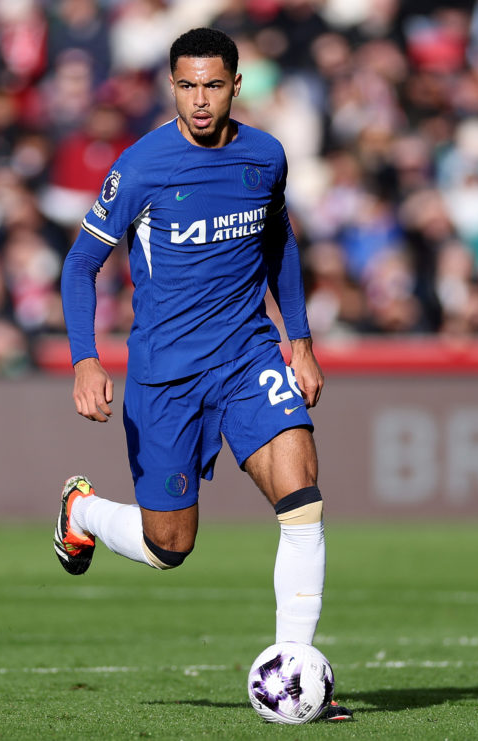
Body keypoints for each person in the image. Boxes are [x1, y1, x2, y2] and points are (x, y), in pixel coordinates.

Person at [53, 28, 352, 723]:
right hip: (166, 379)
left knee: (302, 497)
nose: (199, 100)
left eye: (212, 85)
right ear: (171, 86)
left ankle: (298, 672)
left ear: (236, 84)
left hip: (248, 357)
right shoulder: (142, 166)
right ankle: (82, 512)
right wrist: (85, 358)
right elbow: (79, 267)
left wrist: (298, 339)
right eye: (186, 85)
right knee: (170, 546)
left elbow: (278, 243)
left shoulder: (265, 156)